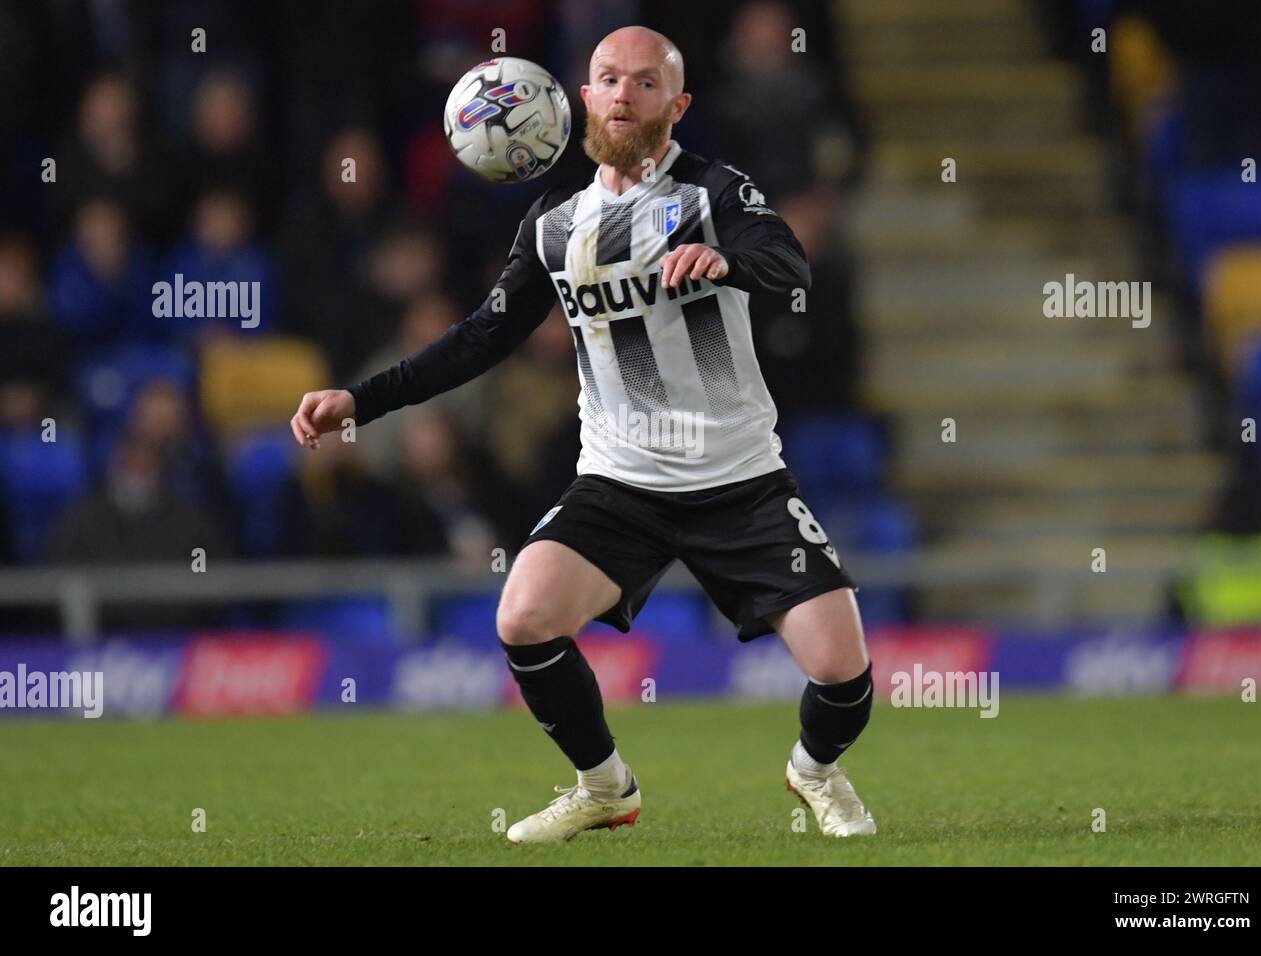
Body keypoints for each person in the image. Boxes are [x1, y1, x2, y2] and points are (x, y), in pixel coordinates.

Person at [290, 26, 876, 842]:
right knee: (524, 617)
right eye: (609, 79)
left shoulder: (715, 193)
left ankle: (813, 770)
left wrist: (725, 263)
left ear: (677, 104)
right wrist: (359, 400)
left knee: (845, 677)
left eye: (645, 82)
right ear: (585, 97)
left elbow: (790, 264)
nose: (625, 95)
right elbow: (479, 340)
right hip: (620, 483)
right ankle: (605, 787)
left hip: (739, 480)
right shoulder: (555, 225)